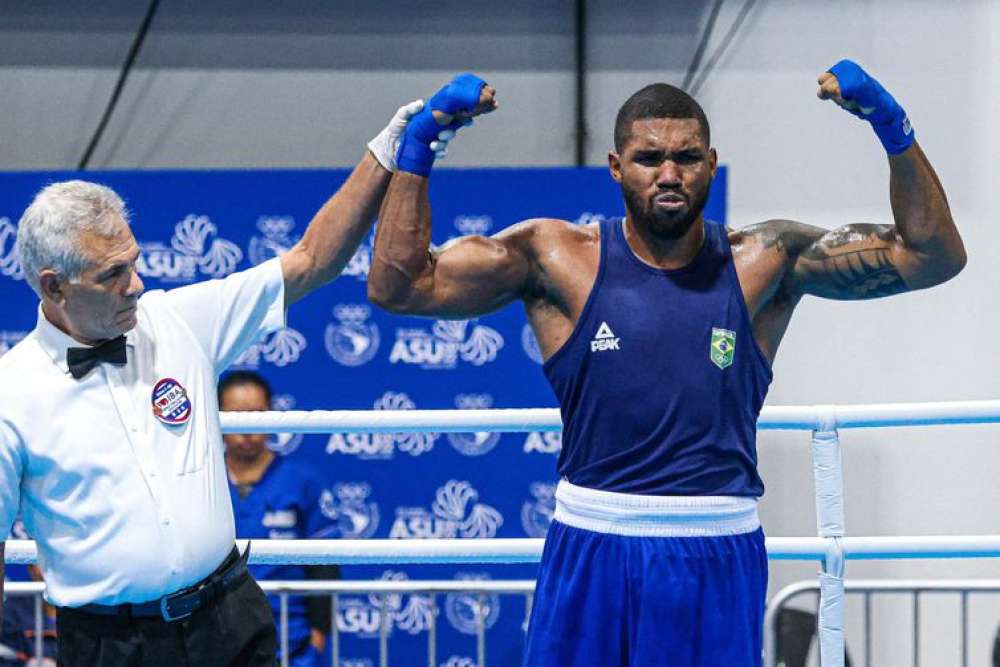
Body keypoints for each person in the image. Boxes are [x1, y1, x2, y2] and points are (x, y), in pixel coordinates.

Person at [367, 62, 966, 666]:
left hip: (715, 545)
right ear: (616, 167)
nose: (669, 174)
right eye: (650, 158)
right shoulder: (554, 257)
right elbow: (399, 286)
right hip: (591, 539)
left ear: (710, 162)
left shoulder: (765, 259)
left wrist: (891, 125)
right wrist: (421, 146)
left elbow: (933, 256)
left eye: (686, 156)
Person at [0, 86, 457, 665]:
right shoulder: (10, 395)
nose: (136, 284)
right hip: (110, 648)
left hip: (231, 619)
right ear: (53, 285)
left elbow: (312, 260)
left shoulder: (176, 322)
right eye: (113, 274)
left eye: (135, 263)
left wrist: (387, 150)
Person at [219, 370, 340, 667]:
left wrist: (319, 632)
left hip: (292, 637)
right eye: (236, 415)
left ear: (272, 415)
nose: (247, 428)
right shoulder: (200, 480)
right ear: (216, 416)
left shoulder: (303, 482)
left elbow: (325, 560)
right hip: (215, 634)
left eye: (257, 414)